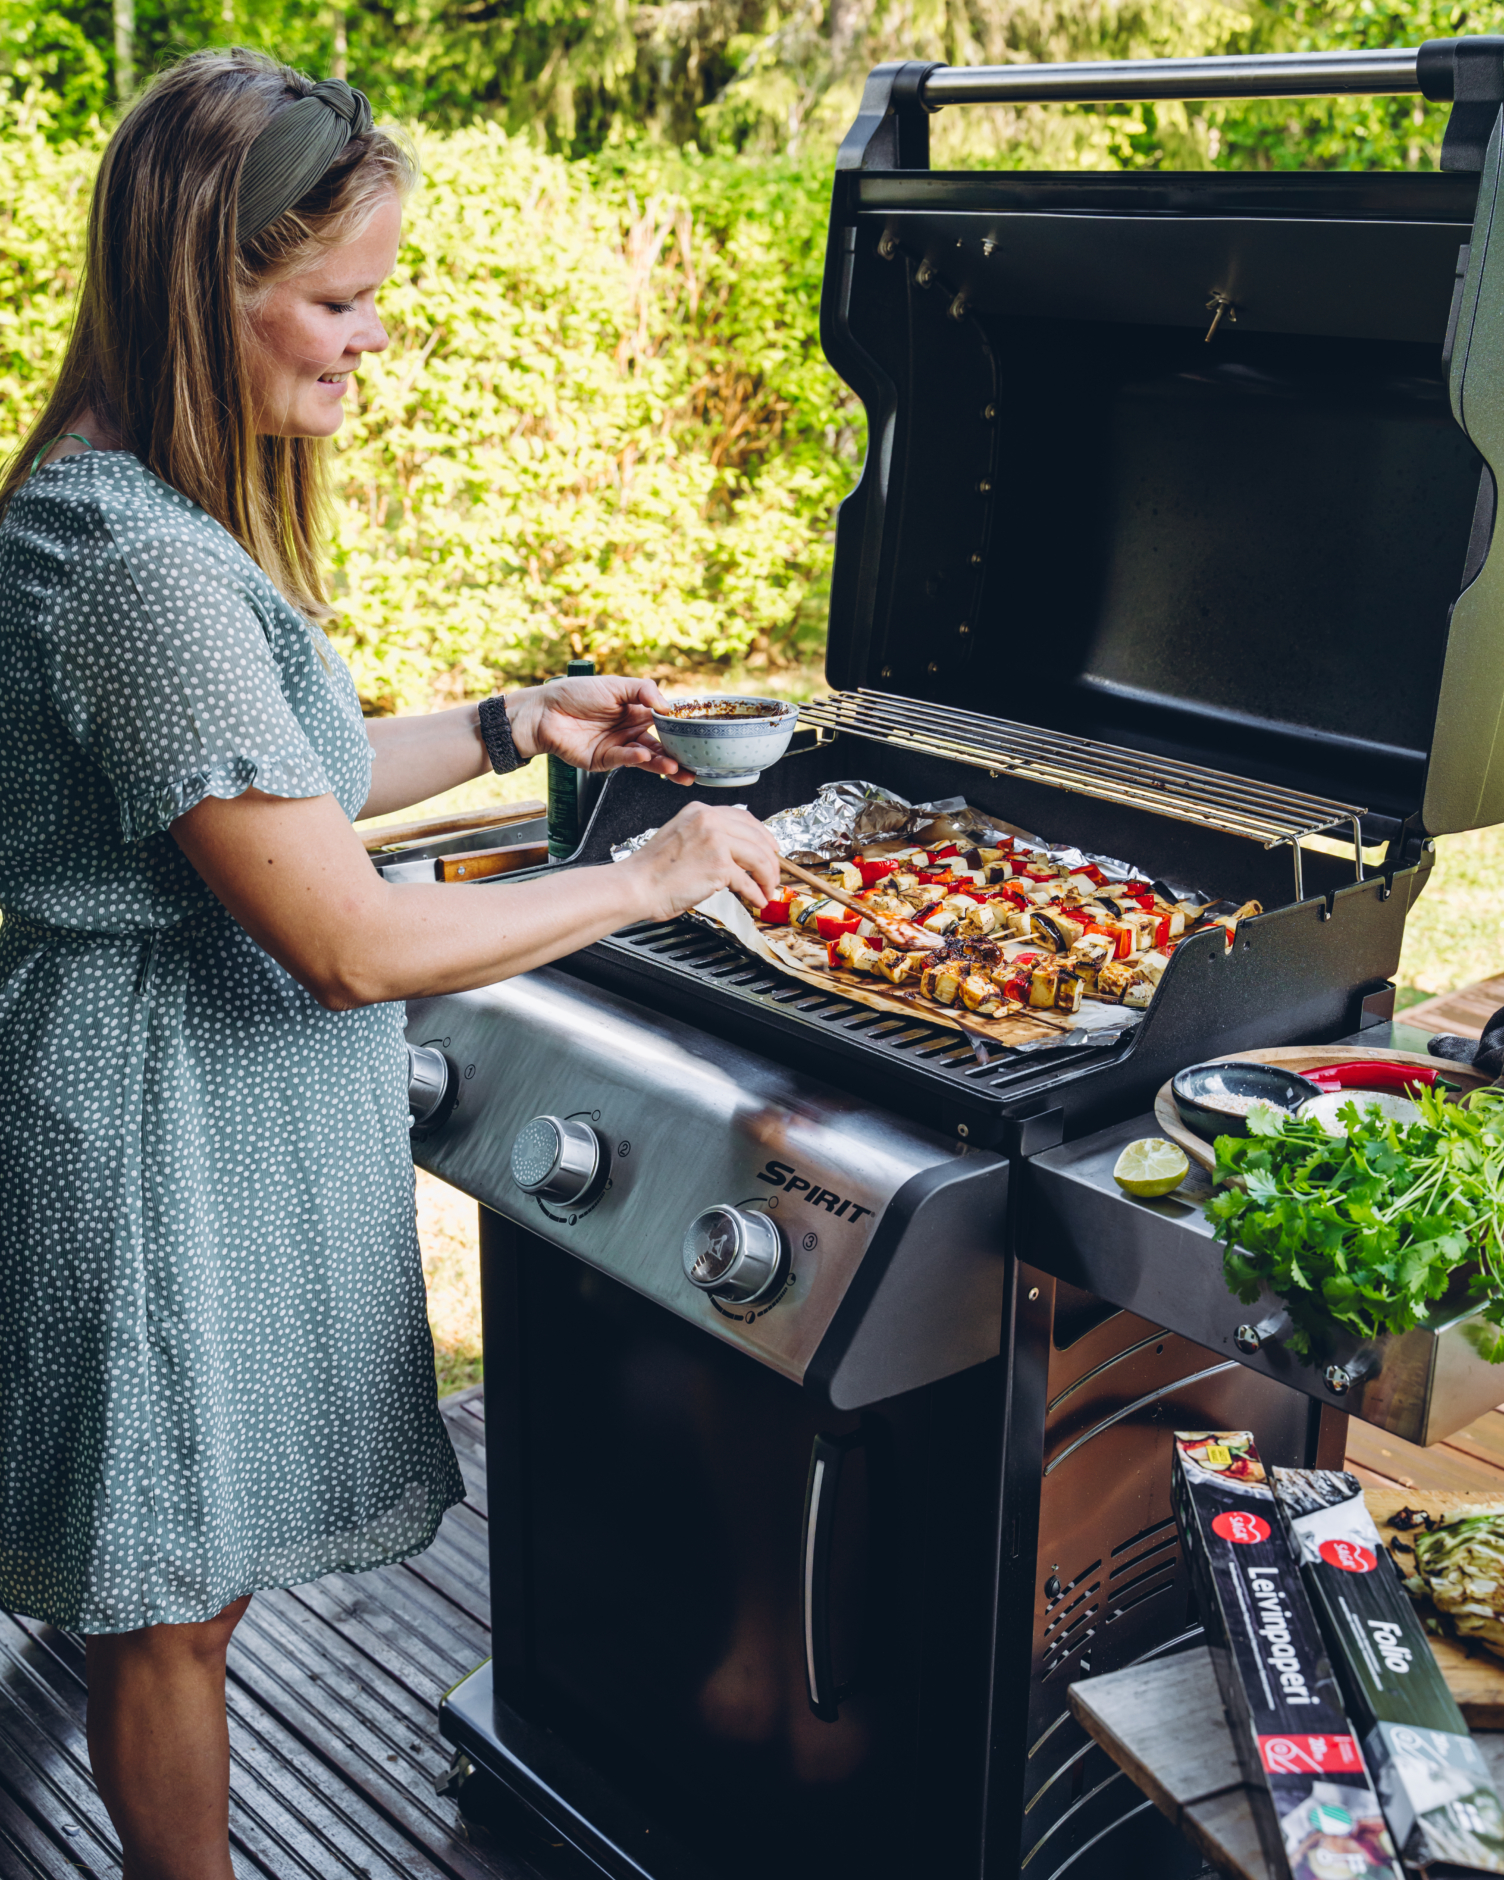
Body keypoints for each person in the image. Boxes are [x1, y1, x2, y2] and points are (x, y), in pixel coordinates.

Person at [0, 48, 780, 1880]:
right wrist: (650, 878)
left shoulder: (130, 508)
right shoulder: (140, 573)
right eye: (341, 300)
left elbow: (273, 782)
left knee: (172, 1571)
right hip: (156, 1139)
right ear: (208, 285)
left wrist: (513, 723)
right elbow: (347, 939)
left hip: (191, 1121)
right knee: (172, 1605)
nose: (372, 340)